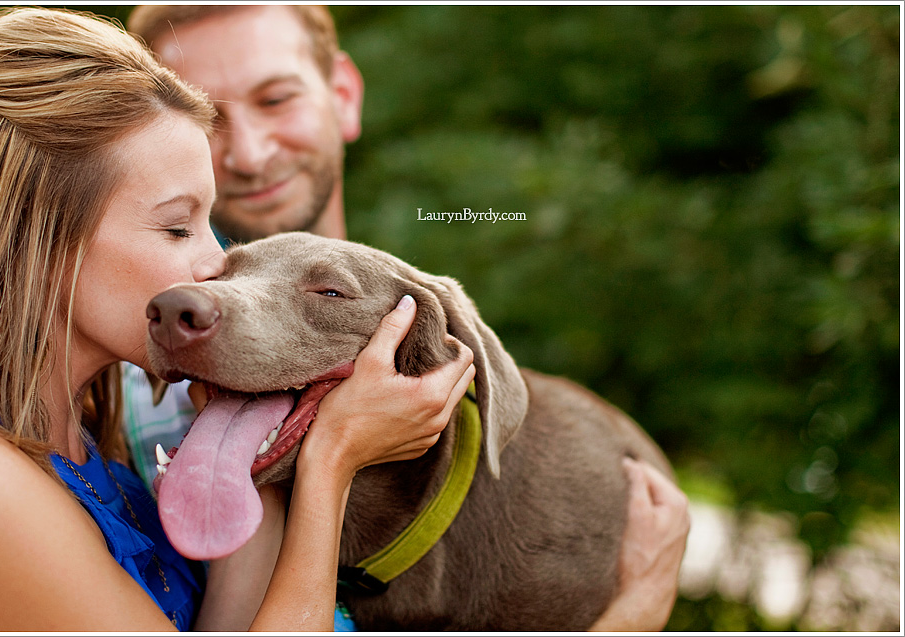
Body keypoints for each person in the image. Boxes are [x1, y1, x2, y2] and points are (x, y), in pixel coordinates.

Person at [123, 4, 691, 632]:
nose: (252, 153)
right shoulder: (121, 395)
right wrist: (635, 615)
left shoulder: (424, 325)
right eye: (214, 119)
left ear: (342, 94)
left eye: (277, 98)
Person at [0, 7, 475, 632]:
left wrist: (250, 433)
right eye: (177, 227)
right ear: (37, 239)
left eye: (211, 225)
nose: (216, 266)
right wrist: (331, 461)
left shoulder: (94, 446)